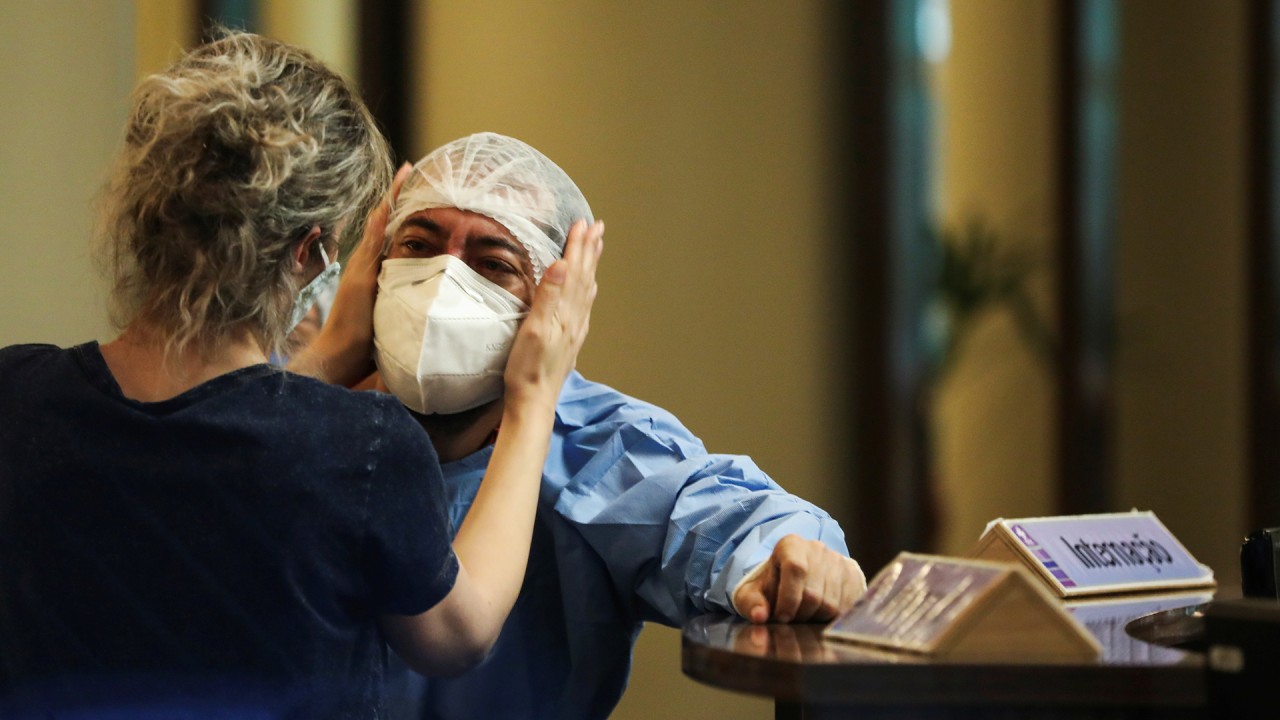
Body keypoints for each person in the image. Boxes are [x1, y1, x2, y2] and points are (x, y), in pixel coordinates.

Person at [0, 35, 602, 719]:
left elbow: (213, 426)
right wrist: (532, 398)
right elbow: (458, 636)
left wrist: (328, 356)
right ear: (311, 251)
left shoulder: (18, 395)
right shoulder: (362, 448)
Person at [367, 132, 866, 720]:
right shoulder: (312, 424)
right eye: (419, 247)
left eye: (493, 264)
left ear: (558, 302)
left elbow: (723, 515)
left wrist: (787, 558)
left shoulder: (595, 447)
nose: (443, 282)